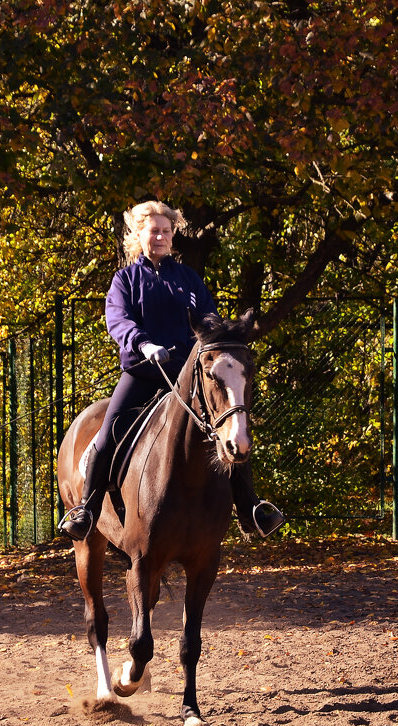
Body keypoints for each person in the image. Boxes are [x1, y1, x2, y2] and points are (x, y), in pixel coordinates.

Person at [58, 200, 284, 542]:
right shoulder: (125, 280)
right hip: (143, 373)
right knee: (105, 438)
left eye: (166, 231)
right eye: (154, 231)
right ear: (139, 235)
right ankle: (86, 509)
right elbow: (117, 321)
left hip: (188, 377)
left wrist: (222, 333)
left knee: (229, 429)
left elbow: (208, 319)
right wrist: (143, 344)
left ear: (173, 235)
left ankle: (251, 508)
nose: (161, 237)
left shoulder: (188, 279)